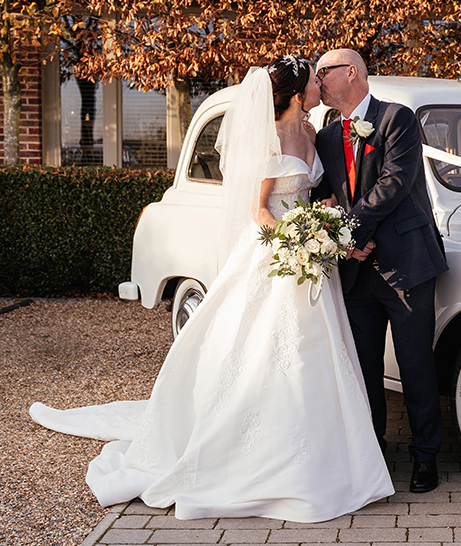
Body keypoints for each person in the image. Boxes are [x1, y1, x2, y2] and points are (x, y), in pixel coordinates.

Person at [29, 55, 394, 522]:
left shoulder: (311, 131)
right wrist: (295, 243)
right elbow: (259, 210)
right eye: (312, 82)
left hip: (311, 257)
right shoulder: (268, 136)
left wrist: (328, 229)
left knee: (320, 353)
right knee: (270, 351)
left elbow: (318, 194)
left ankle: (330, 455)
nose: (319, 88)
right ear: (296, 91)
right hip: (276, 255)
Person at [310, 49, 448, 493]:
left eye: (322, 72)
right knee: (363, 367)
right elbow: (324, 195)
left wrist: (352, 229)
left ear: (351, 72)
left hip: (407, 264)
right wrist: (340, 237)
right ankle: (373, 452)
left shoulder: (398, 119)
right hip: (355, 272)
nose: (318, 80)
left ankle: (426, 456)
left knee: (415, 366)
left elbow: (395, 181)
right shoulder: (327, 136)